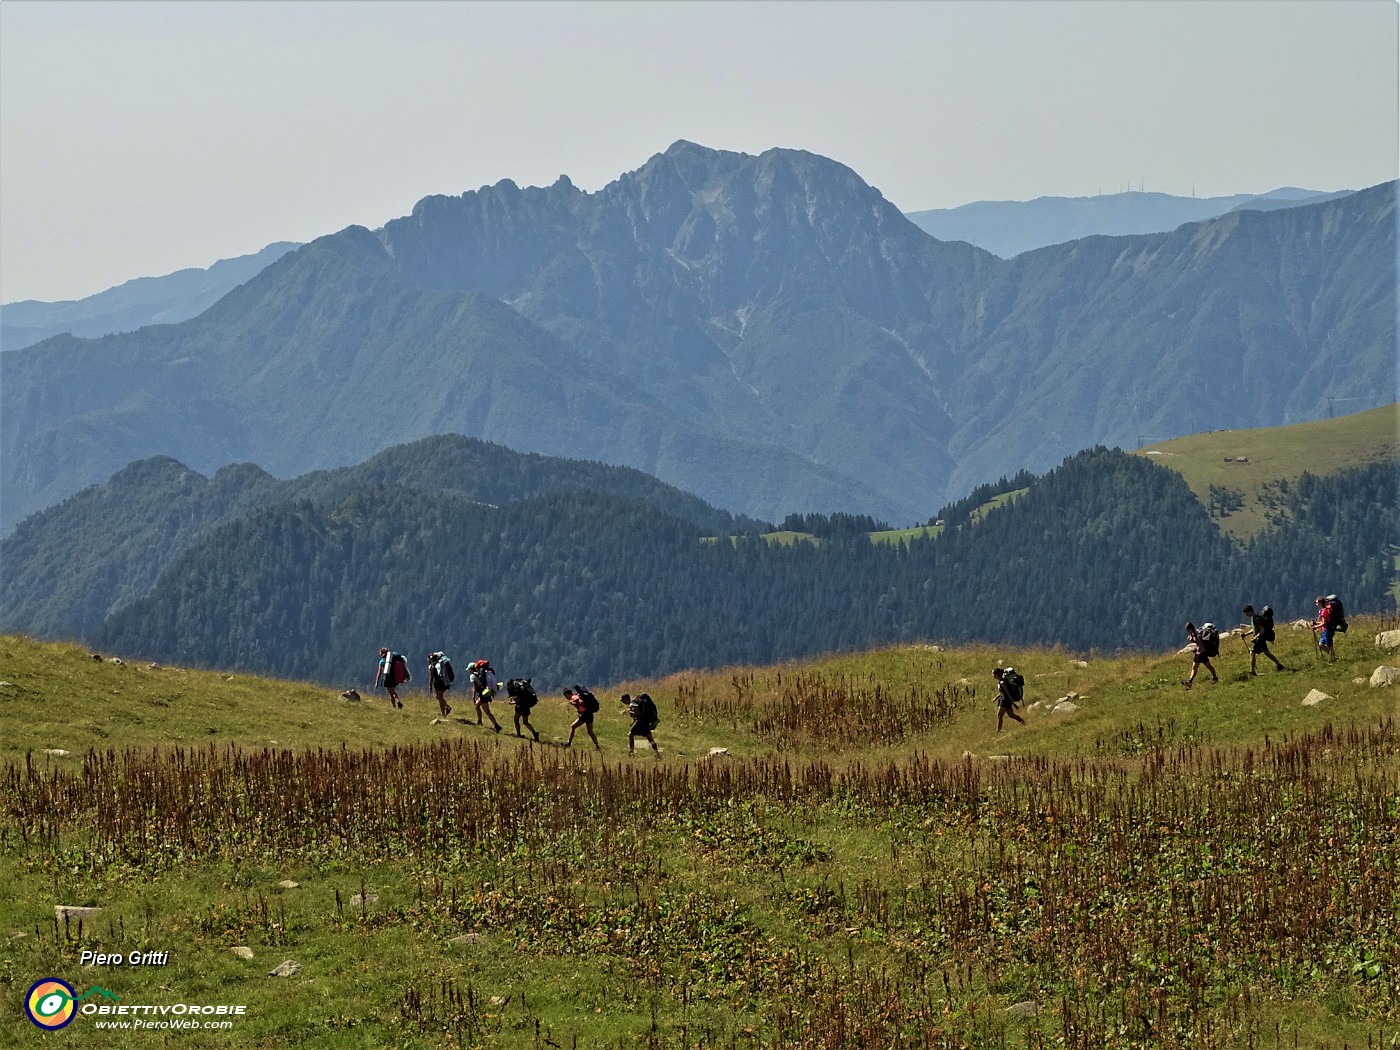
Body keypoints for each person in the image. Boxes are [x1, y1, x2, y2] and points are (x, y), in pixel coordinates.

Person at [1240, 605, 1285, 675]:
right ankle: (1279, 665)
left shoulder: (1257, 619)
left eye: (1246, 613)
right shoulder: (1253, 618)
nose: (1246, 615)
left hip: (1260, 639)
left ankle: (1253, 671)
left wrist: (1255, 637)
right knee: (1263, 653)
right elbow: (1254, 629)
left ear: (1250, 611)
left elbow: (1262, 630)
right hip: (1258, 639)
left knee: (1258, 652)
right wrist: (1245, 634)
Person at [619, 692, 661, 756]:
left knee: (630, 735)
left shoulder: (632, 704)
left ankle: (631, 752)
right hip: (645, 722)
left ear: (626, 699)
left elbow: (638, 713)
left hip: (641, 723)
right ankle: (657, 753)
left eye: (623, 700)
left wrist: (632, 714)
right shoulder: (635, 702)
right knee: (650, 738)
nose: (623, 702)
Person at [1181, 622, 1219, 689]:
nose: (1188, 631)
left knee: (1194, 667)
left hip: (1200, 653)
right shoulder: (1196, 633)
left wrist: (1193, 641)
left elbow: (1200, 644)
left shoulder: (1197, 635)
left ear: (1190, 629)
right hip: (1202, 653)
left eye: (1188, 630)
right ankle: (1215, 677)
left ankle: (1190, 682)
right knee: (1208, 666)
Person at [562, 684, 601, 750]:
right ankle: (597, 746)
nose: (566, 698)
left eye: (566, 696)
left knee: (572, 726)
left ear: (568, 694)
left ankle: (568, 743)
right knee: (590, 731)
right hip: (589, 714)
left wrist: (574, 703)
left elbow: (581, 702)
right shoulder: (577, 695)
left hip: (584, 715)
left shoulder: (574, 697)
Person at [468, 659, 503, 732]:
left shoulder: (473, 676)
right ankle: (479, 721)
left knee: (487, 711)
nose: (469, 671)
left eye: (469, 669)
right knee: (477, 706)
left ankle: (497, 725)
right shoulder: (482, 673)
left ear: (471, 669)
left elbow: (474, 687)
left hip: (483, 695)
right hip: (485, 693)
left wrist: (473, 697)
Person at [505, 677, 542, 741]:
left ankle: (518, 734)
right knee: (525, 722)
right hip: (526, 706)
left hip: (520, 706)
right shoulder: (524, 688)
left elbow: (519, 700)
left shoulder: (518, 689)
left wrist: (512, 702)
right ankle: (534, 733)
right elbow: (522, 699)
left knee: (516, 720)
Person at [992, 667, 1025, 732]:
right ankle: (1023, 722)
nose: (992, 675)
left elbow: (1007, 693)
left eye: (993, 673)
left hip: (1005, 700)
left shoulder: (1002, 683)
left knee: (999, 715)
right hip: (1005, 699)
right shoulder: (1001, 682)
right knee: (1011, 715)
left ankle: (998, 730)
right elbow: (1002, 692)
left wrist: (1013, 703)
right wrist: (996, 698)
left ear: (997, 674)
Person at [1310, 595, 1338, 662]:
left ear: (1320, 603)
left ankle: (1333, 658)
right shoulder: (1324, 610)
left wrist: (1315, 626)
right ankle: (1333, 656)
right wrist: (1316, 623)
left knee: (1329, 645)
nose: (1316, 604)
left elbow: (1324, 623)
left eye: (1317, 603)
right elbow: (1323, 622)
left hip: (1327, 630)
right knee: (1321, 644)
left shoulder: (1323, 612)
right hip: (1326, 630)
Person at [427, 651, 454, 716]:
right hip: (445, 682)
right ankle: (444, 712)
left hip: (438, 684)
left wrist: (430, 687)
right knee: (439, 697)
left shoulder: (431, 667)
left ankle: (446, 709)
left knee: (440, 698)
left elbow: (431, 678)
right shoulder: (442, 664)